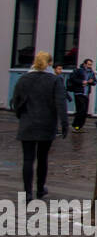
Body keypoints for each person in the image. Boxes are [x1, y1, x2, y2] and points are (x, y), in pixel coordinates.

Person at [10, 51, 69, 199]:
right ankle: (40, 189)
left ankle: (27, 192)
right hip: (47, 123)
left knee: (28, 159)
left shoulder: (24, 79)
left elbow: (15, 101)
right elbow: (60, 103)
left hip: (27, 123)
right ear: (49, 64)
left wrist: (21, 115)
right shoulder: (54, 81)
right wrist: (64, 123)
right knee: (42, 158)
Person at [69, 58, 97, 131]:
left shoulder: (91, 72)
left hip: (86, 93)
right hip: (79, 93)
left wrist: (91, 82)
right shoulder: (78, 71)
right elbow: (72, 79)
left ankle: (79, 126)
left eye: (91, 64)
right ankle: (76, 126)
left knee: (84, 111)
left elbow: (94, 82)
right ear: (84, 64)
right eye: (88, 64)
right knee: (81, 110)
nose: (90, 66)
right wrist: (82, 82)